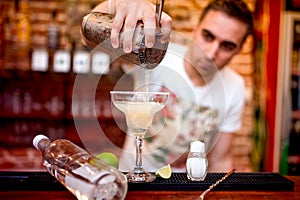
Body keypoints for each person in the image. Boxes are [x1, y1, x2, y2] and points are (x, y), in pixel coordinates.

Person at [83, 0, 254, 172]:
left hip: (186, 186)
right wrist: (117, 4)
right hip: (135, 179)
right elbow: (88, 39)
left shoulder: (234, 86)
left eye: (227, 46)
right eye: (208, 36)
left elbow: (220, 160)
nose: (211, 53)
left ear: (238, 50)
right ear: (195, 30)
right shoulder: (154, 54)